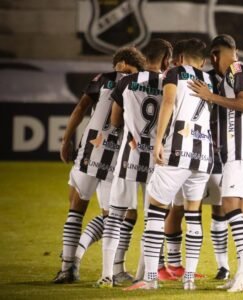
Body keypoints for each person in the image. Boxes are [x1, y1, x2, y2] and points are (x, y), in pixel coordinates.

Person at [126, 38, 214, 291]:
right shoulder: (210, 80)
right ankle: (189, 280)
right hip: (204, 151)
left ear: (180, 58)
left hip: (179, 147)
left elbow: (167, 102)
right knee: (194, 215)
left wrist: (158, 142)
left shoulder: (175, 73)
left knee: (154, 211)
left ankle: (150, 279)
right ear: (204, 60)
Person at [53, 47, 145, 284]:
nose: (133, 74)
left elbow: (80, 107)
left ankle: (67, 268)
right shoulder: (137, 84)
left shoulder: (100, 79)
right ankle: (110, 270)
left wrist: (65, 140)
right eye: (133, 69)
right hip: (116, 158)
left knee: (76, 209)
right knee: (117, 216)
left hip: (88, 152)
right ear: (123, 64)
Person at [95, 39, 173, 288]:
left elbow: (115, 121)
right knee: (154, 219)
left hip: (129, 158)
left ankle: (107, 274)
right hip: (158, 162)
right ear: (166, 60)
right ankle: (143, 275)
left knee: (115, 217)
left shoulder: (127, 83)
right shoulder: (169, 86)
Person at [189, 34, 243, 292]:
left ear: (215, 56)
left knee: (229, 204)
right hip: (242, 149)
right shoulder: (235, 72)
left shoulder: (236, 68)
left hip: (241, 148)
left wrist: (210, 96)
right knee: (239, 208)